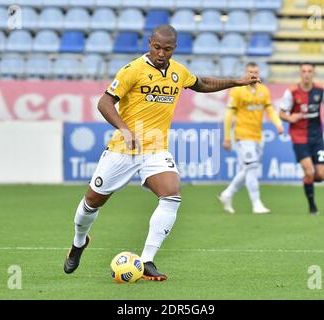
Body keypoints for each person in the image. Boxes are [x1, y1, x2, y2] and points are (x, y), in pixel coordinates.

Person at [63, 25, 260, 281]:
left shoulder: (178, 72)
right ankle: (79, 242)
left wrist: (236, 81)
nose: (160, 53)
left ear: (174, 49)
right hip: (123, 149)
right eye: (156, 47)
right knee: (91, 204)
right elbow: (104, 102)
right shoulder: (133, 69)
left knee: (171, 194)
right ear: (149, 44)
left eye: (166, 49)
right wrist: (124, 129)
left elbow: (202, 83)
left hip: (155, 149)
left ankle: (146, 260)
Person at [218, 62, 284, 215]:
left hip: (258, 135)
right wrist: (227, 137)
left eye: (256, 72)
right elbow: (228, 116)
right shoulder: (237, 91)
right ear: (246, 73)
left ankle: (227, 194)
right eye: (250, 72)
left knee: (247, 168)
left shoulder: (264, 91)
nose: (254, 75)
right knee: (252, 167)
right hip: (242, 134)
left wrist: (278, 124)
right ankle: (256, 204)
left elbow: (270, 110)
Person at [279, 62, 324, 215]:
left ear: (314, 73)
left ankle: (307, 182)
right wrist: (290, 117)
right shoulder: (291, 92)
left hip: (317, 137)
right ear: (300, 73)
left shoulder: (322, 89)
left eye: (310, 71)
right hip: (299, 137)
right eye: (304, 71)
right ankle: (312, 207)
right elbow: (281, 114)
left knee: (321, 175)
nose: (307, 74)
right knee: (309, 172)